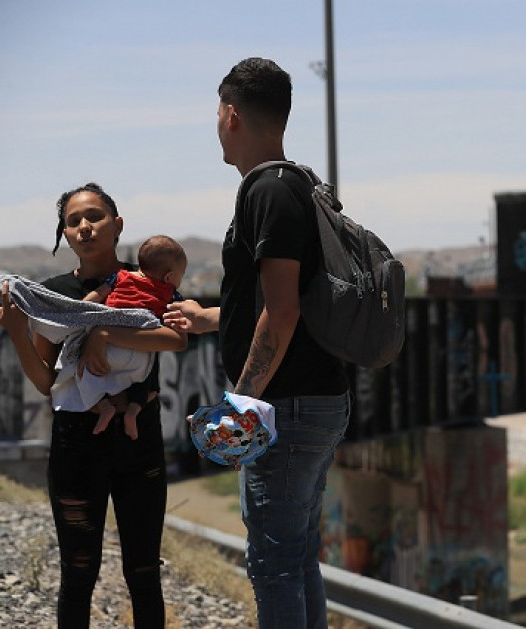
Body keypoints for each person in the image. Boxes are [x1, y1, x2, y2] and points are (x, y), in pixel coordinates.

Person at [163, 57, 349, 629]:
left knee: (274, 565)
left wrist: (241, 402)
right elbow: (281, 302)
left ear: (231, 114)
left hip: (284, 407)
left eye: (217, 114)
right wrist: (211, 317)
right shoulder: (299, 184)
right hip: (314, 400)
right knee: (297, 558)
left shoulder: (266, 190)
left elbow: (283, 310)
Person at [0, 182, 188, 628]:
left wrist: (103, 332)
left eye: (94, 217)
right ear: (65, 234)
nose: (84, 226)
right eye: (73, 221)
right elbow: (46, 380)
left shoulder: (147, 280)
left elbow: (175, 338)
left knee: (144, 572)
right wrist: (17, 333)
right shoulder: (54, 294)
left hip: (139, 444)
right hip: (76, 445)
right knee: (78, 573)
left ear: (117, 225)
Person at [83, 234, 188, 440]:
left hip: (108, 349)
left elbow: (95, 296)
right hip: (140, 349)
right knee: (146, 378)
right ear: (168, 277)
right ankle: (132, 412)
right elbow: (179, 322)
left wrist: (81, 311)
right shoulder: (170, 294)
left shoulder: (119, 277)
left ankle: (103, 406)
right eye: (181, 275)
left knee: (86, 373)